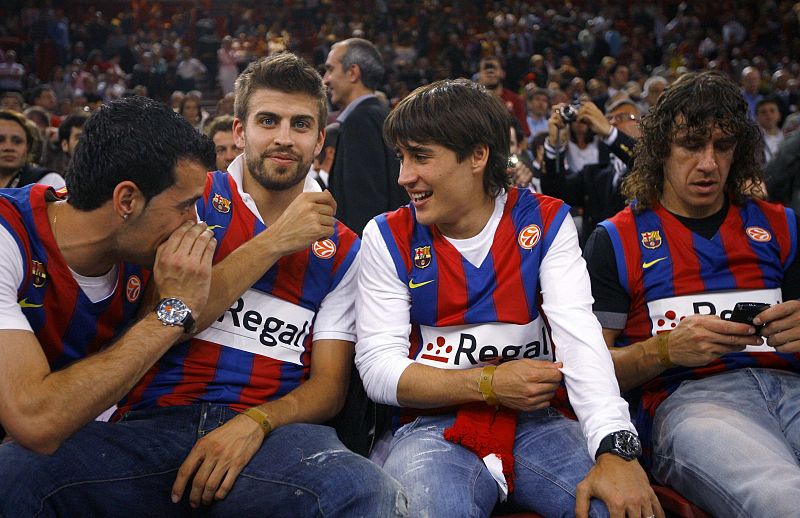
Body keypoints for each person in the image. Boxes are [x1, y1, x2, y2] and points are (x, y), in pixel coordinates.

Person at [0, 55, 406, 517]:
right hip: (155, 423)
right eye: (267, 121)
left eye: (301, 125)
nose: (283, 138)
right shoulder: (186, 199)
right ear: (239, 131)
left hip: (274, 438)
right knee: (16, 473)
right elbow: (171, 316)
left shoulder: (345, 247)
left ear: (319, 141)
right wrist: (276, 241)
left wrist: (256, 422)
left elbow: (329, 388)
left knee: (366, 490)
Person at [356, 79, 660, 518]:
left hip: (540, 420)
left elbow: (579, 338)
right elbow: (378, 370)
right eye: (401, 158)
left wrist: (616, 446)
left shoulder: (546, 220)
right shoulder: (386, 235)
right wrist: (488, 384)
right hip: (430, 426)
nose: (404, 176)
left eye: (421, 157)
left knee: (617, 508)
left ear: (478, 156)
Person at [583, 70, 800, 517]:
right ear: (661, 149)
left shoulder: (783, 225)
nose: (708, 163)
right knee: (783, 500)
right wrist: (663, 351)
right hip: (691, 405)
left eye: (722, 146)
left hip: (792, 386)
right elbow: (588, 375)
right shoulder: (615, 240)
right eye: (692, 145)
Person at [323, 37, 407, 235]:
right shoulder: (381, 113)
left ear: (353, 72)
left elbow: (364, 204)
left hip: (366, 252)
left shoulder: (359, 121)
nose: (326, 79)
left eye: (330, 69)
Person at [541, 97, 640, 246]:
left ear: (643, 125)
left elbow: (644, 161)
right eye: (608, 119)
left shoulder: (651, 167)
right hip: (595, 263)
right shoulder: (594, 173)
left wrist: (610, 133)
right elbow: (555, 192)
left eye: (621, 117)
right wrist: (556, 147)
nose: (612, 123)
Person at [0, 109, 64, 189]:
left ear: (28, 147)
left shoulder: (49, 182)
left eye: (17, 141)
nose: (8, 147)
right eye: (0, 140)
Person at [478, 55, 530, 138]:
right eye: (485, 68)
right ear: (479, 74)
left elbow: (524, 134)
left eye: (494, 68)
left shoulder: (515, 99)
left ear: (502, 73)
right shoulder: (472, 101)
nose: (490, 71)